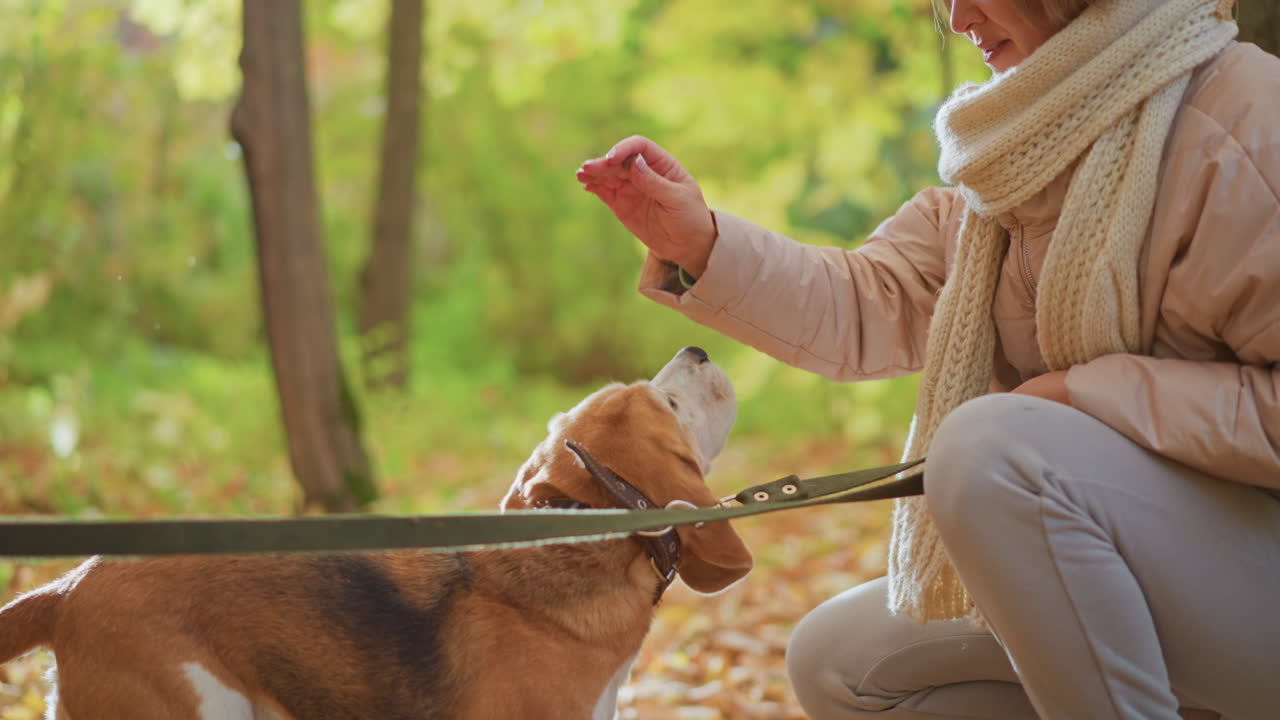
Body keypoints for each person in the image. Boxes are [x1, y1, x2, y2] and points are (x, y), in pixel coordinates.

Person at [576, 0, 1280, 717]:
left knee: (992, 448)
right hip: (1145, 574)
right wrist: (701, 243)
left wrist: (1087, 393)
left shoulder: (1244, 122)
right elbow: (866, 300)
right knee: (839, 663)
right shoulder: (1013, 158)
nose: (959, 16)